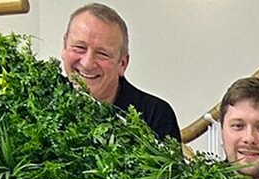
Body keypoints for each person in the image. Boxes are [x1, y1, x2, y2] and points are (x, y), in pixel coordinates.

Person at [61, 4, 180, 141]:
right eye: (79, 47)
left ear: (123, 63)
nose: (87, 63)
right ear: (64, 47)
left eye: (102, 54)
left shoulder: (155, 114)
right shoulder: (41, 98)